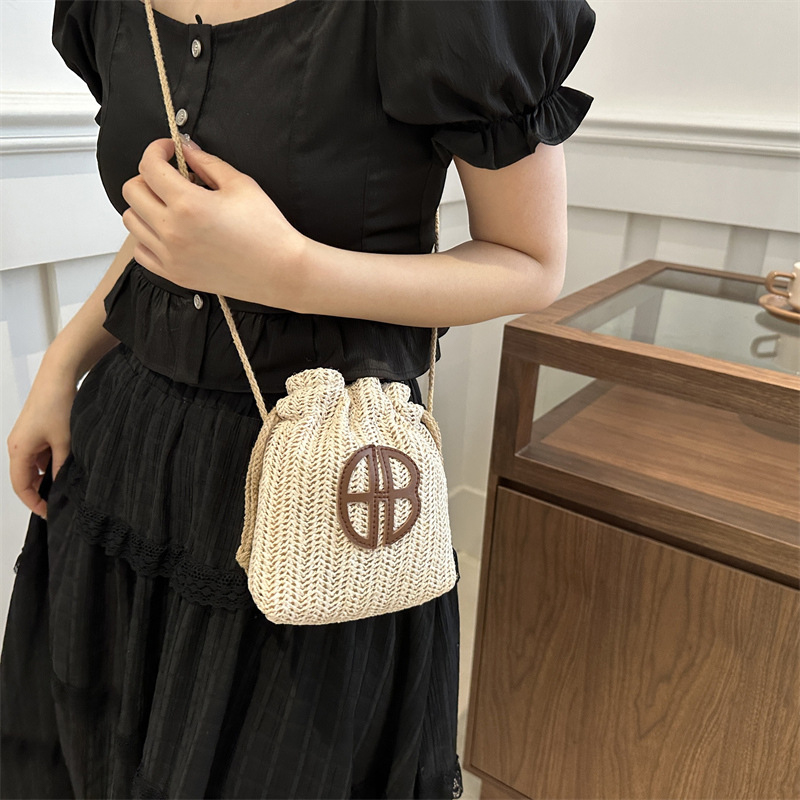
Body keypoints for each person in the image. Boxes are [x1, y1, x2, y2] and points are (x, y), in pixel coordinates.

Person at [0, 0, 596, 797]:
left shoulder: (449, 16)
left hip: (322, 483)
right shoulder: (110, 9)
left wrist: (288, 269)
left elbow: (530, 263)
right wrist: (62, 364)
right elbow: (169, 229)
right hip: (127, 448)